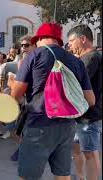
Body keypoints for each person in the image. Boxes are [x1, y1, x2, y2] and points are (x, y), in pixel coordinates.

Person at [10, 22, 95, 180]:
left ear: (40, 38)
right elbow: (90, 100)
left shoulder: (34, 56)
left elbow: (16, 95)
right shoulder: (76, 61)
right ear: (58, 40)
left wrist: (11, 85)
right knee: (63, 175)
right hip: (67, 127)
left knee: (28, 176)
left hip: (38, 125)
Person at [67, 24, 102, 180]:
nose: (69, 45)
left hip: (88, 115)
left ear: (82, 39)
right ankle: (81, 177)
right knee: (79, 149)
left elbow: (77, 83)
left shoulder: (90, 57)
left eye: (71, 41)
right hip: (84, 114)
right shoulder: (89, 57)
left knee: (90, 153)